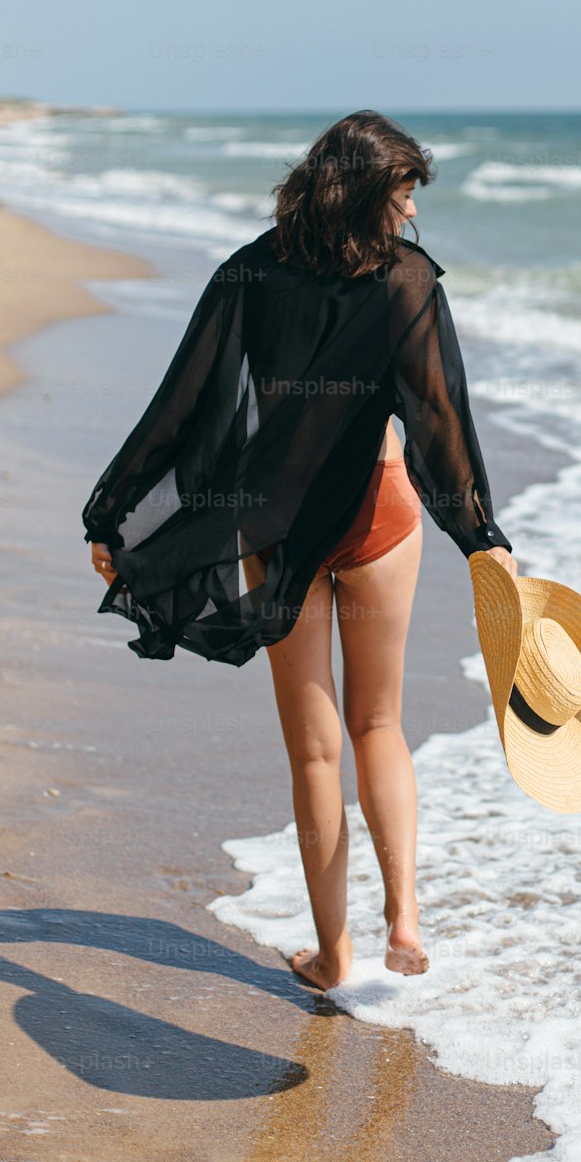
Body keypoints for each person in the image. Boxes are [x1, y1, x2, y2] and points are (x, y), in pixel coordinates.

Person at [84, 110, 518, 991]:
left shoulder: (251, 272)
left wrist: (113, 513)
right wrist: (482, 536)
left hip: (275, 528)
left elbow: (181, 404)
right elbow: (437, 420)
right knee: (380, 724)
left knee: (316, 751)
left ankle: (334, 954)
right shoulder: (408, 282)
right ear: (366, 193)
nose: (408, 216)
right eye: (401, 197)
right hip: (378, 513)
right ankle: (404, 918)